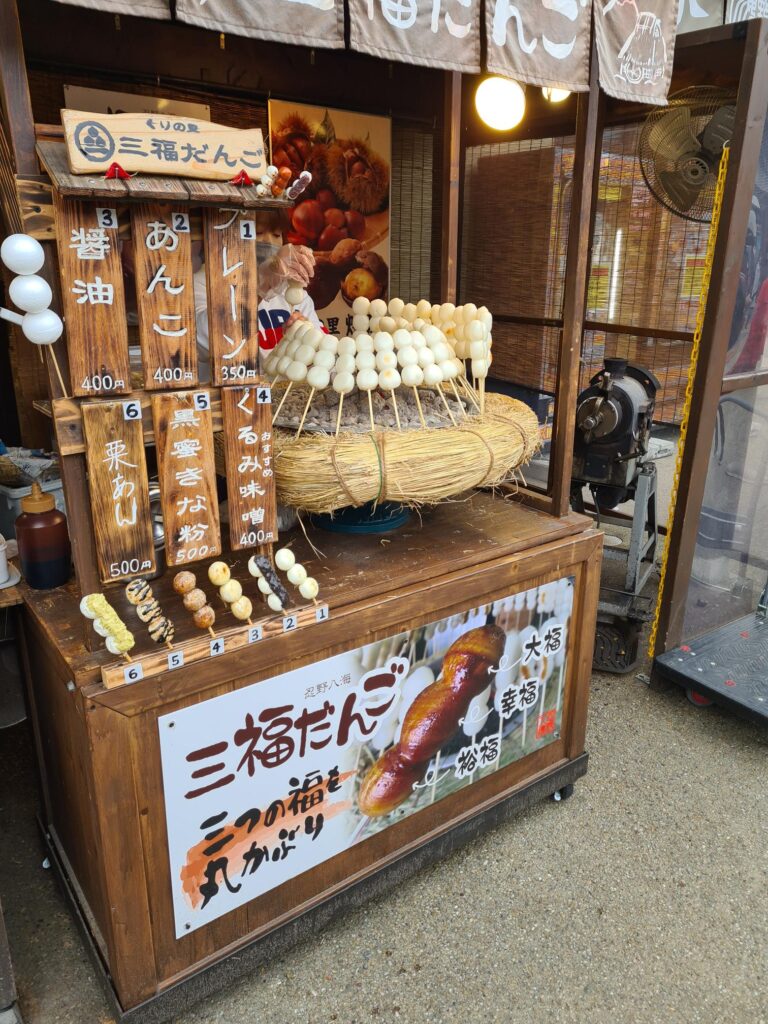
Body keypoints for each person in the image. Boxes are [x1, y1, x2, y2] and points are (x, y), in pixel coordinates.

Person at [193, 223, 321, 381]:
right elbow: (204, 342)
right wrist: (262, 283)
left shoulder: (291, 290)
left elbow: (321, 357)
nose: (268, 241)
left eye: (276, 234)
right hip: (230, 400)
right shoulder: (204, 282)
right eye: (258, 232)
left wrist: (302, 338)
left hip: (281, 399)